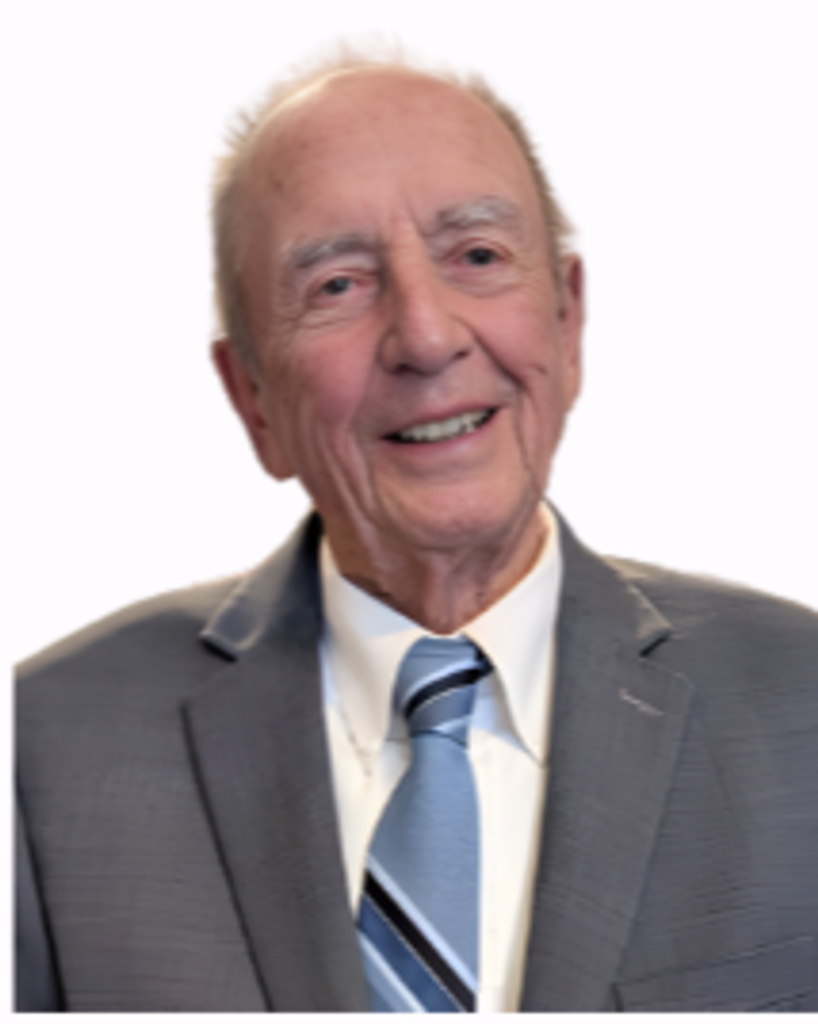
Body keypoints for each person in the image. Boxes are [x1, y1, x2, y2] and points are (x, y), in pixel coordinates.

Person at [16, 50, 818, 1013]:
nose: (428, 337)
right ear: (253, 399)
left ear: (568, 324)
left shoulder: (803, 702)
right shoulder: (38, 754)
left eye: (477, 256)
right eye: (337, 285)